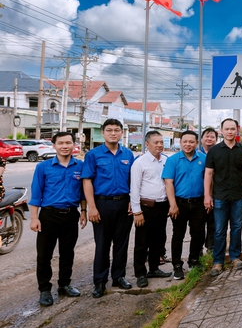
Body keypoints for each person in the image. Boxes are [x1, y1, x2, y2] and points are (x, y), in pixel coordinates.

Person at [29, 132, 86, 306]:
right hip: (48, 216)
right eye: (61, 143)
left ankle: (65, 285)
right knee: (44, 255)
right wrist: (33, 218)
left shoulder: (80, 166)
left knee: (67, 253)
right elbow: (36, 194)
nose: (65, 146)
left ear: (74, 145)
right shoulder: (43, 167)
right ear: (54, 145)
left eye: (68, 142)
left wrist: (83, 211)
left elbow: (83, 192)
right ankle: (45, 290)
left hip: (71, 215)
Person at [82, 119, 135, 298]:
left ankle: (118, 277)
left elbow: (132, 181)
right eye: (109, 130)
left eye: (117, 130)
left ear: (121, 133)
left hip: (123, 204)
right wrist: (92, 207)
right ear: (103, 133)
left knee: (122, 243)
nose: (113, 133)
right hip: (102, 204)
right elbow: (87, 180)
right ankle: (100, 281)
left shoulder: (127, 154)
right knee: (102, 245)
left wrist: (132, 202)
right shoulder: (93, 155)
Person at [204, 118, 242, 277]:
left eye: (233, 129)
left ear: (237, 130)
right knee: (219, 230)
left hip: (239, 195)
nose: (230, 132)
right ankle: (218, 261)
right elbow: (208, 173)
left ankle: (235, 257)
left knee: (237, 227)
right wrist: (207, 196)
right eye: (227, 129)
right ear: (221, 130)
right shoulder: (214, 151)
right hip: (219, 196)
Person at [162, 130, 207, 280]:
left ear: (196, 143)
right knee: (178, 235)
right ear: (180, 143)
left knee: (197, 234)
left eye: (191, 142)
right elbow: (169, 183)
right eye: (185, 142)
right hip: (179, 203)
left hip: (198, 203)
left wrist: (208, 197)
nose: (188, 144)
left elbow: (209, 179)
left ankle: (193, 260)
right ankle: (177, 265)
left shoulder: (203, 158)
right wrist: (172, 204)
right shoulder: (173, 160)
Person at [130, 131, 171, 288]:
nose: (160, 145)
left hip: (162, 206)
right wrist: (137, 212)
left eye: (161, 142)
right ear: (147, 144)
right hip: (146, 207)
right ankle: (140, 273)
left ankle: (154, 268)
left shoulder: (166, 160)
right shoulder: (140, 163)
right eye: (156, 142)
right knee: (142, 242)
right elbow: (134, 188)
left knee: (158, 239)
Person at [200, 127, 218, 254]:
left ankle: (211, 247)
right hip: (198, 195)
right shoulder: (195, 154)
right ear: (201, 139)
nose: (209, 139)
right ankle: (198, 249)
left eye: (212, 137)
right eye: (207, 136)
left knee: (213, 222)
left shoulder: (218, 154)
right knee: (198, 225)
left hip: (216, 194)